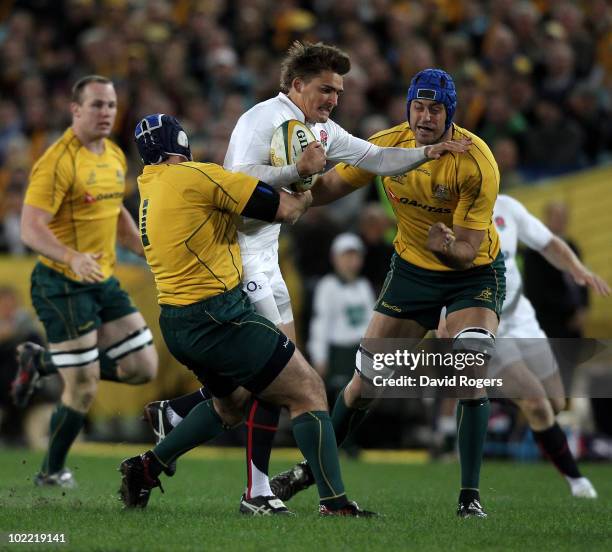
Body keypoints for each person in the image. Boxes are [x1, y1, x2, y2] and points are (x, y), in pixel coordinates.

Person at [142, 42, 470, 515]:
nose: (333, 98)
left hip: (271, 257)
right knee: (282, 381)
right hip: (239, 257)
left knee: (269, 384)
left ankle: (165, 438)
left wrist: (427, 152)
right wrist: (298, 170)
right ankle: (261, 492)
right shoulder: (261, 120)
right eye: (325, 89)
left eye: (338, 91)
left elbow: (374, 158)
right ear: (296, 85)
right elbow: (239, 181)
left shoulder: (320, 128)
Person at [270, 68, 505, 518]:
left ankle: (469, 497)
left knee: (471, 369)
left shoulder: (476, 161)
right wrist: (291, 193)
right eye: (418, 106)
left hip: (471, 274)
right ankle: (308, 472)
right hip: (413, 272)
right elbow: (334, 186)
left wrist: (448, 247)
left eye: (435, 109)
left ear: (449, 113)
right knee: (364, 384)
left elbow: (468, 250)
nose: (425, 116)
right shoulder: (388, 145)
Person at [118, 113, 374, 518]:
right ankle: (333, 504)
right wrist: (303, 178)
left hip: (177, 322)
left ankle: (147, 465)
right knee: (307, 388)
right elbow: (287, 210)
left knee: (233, 405)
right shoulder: (199, 176)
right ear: (181, 144)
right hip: (218, 316)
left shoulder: (148, 186)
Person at [12, 75, 158, 487]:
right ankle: (51, 472)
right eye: (96, 105)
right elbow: (29, 227)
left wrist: (145, 249)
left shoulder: (112, 154)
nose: (106, 112)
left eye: (110, 105)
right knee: (83, 384)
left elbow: (115, 212)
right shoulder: (57, 161)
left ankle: (40, 361)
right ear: (75, 110)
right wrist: (71, 257)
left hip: (102, 279)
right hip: (61, 283)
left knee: (142, 367)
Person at [488, 194, 607, 497]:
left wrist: (577, 269)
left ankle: (497, 394)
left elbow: (549, 243)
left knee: (555, 402)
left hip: (521, 315)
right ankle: (577, 481)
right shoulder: (446, 214)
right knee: (536, 403)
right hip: (487, 324)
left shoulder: (507, 207)